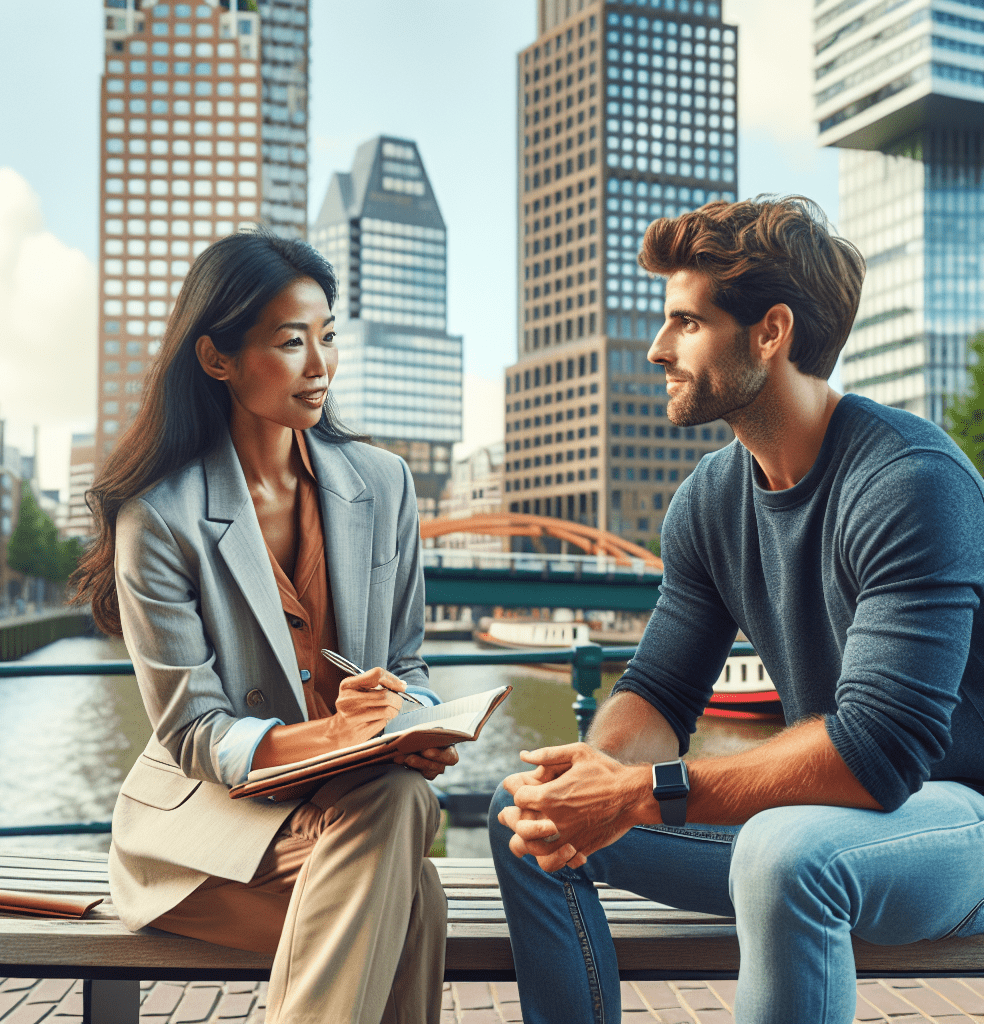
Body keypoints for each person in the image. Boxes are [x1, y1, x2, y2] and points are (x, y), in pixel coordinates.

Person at [490, 195, 984, 1024]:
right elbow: (659, 690)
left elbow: (879, 754)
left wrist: (639, 795)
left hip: (952, 824)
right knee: (524, 813)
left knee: (782, 853)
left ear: (770, 332)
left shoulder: (910, 480)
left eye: (686, 322)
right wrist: (591, 783)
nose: (657, 349)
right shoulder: (710, 500)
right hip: (818, 822)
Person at [74, 231, 457, 1024]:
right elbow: (196, 734)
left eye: (327, 338)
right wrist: (347, 740)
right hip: (204, 835)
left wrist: (415, 721)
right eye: (291, 343)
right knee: (407, 874)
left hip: (346, 818)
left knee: (395, 820)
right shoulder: (160, 517)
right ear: (217, 358)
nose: (319, 365)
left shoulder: (383, 485)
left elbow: (409, 661)